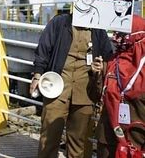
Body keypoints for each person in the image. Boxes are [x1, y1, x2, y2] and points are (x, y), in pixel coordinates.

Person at [29, 12, 114, 158]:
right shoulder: (60, 22)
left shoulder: (98, 29)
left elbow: (108, 56)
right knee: (49, 137)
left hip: (85, 92)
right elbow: (43, 49)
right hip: (56, 88)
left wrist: (100, 68)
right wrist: (37, 75)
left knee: (79, 142)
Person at [95, 14, 145, 157]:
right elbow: (97, 95)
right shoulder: (111, 61)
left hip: (137, 137)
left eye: (122, 34)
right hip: (108, 136)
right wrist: (97, 75)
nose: (116, 38)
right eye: (117, 33)